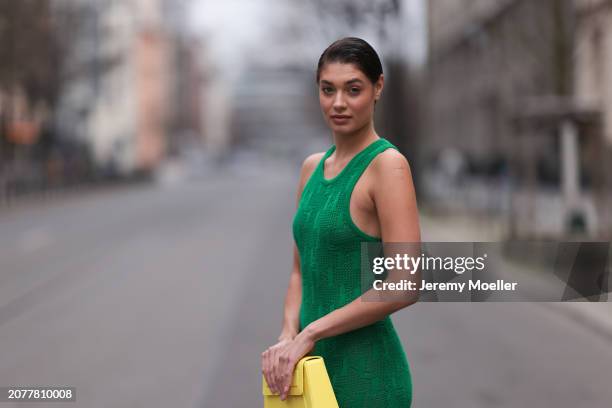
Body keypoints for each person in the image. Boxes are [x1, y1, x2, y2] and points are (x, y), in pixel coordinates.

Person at [261, 37, 420, 407]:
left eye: (353, 89)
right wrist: (288, 334)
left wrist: (310, 332)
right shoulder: (311, 168)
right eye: (327, 89)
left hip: (367, 377)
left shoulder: (387, 166)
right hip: (310, 372)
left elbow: (405, 283)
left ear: (378, 87)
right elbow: (301, 271)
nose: (338, 103)